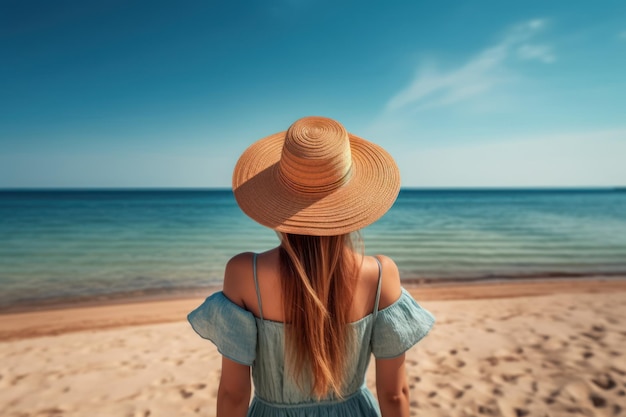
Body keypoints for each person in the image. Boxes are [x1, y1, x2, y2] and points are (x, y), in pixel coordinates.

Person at [188, 116, 435, 417]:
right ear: (351, 203)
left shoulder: (244, 273)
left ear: (277, 200)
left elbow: (233, 394)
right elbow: (394, 394)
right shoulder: (381, 274)